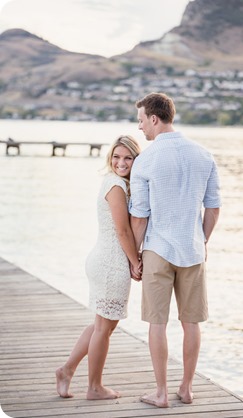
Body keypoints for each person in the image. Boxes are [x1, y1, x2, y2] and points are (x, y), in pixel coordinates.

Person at [129, 92, 221, 408]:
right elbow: (213, 209)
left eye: (141, 120)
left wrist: (134, 257)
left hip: (157, 249)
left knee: (158, 322)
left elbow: (139, 216)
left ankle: (161, 392)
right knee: (191, 322)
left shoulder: (146, 160)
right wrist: (203, 241)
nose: (140, 127)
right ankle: (186, 388)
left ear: (154, 118)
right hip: (193, 250)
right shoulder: (204, 154)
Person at [56, 135, 141, 400]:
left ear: (136, 160)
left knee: (100, 325)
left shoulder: (115, 182)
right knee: (104, 328)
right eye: (116, 157)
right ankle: (94, 387)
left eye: (127, 157)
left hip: (104, 260)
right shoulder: (116, 186)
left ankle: (66, 370)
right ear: (110, 158)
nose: (121, 162)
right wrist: (135, 262)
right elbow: (123, 231)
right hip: (111, 263)